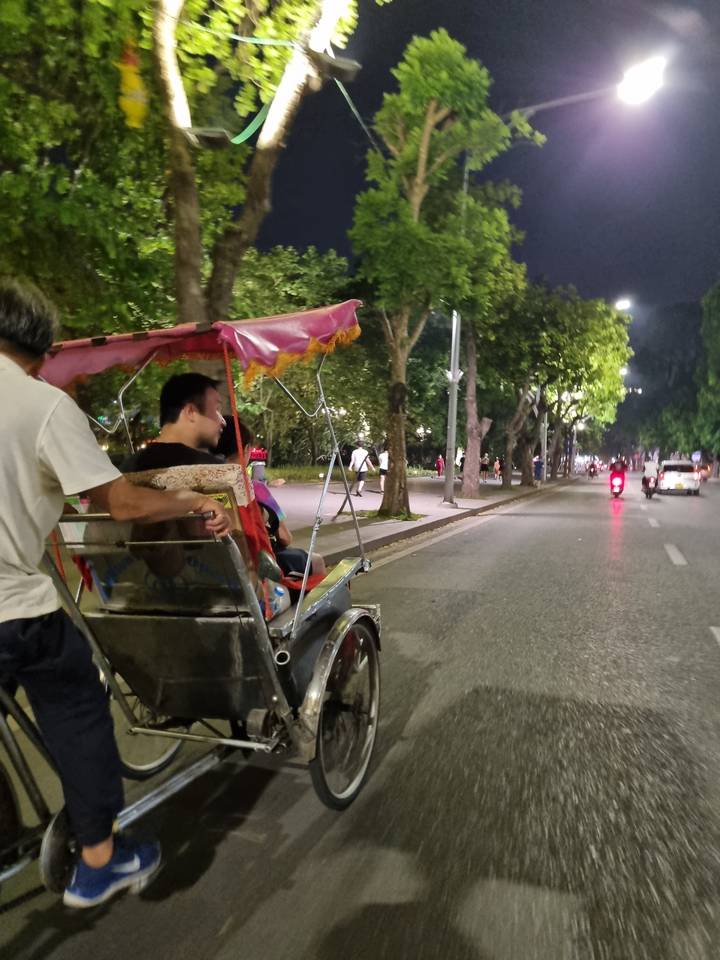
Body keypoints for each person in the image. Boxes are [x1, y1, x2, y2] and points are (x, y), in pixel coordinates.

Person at [0, 281, 231, 909]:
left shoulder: (139, 451)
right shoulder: (42, 406)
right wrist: (194, 499)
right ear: (41, 351)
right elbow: (124, 505)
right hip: (12, 609)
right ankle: (100, 859)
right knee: (77, 702)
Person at [215, 418, 326, 578]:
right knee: (316, 561)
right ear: (245, 449)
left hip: (214, 563)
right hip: (256, 564)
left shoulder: (197, 486)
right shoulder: (256, 489)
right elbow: (286, 538)